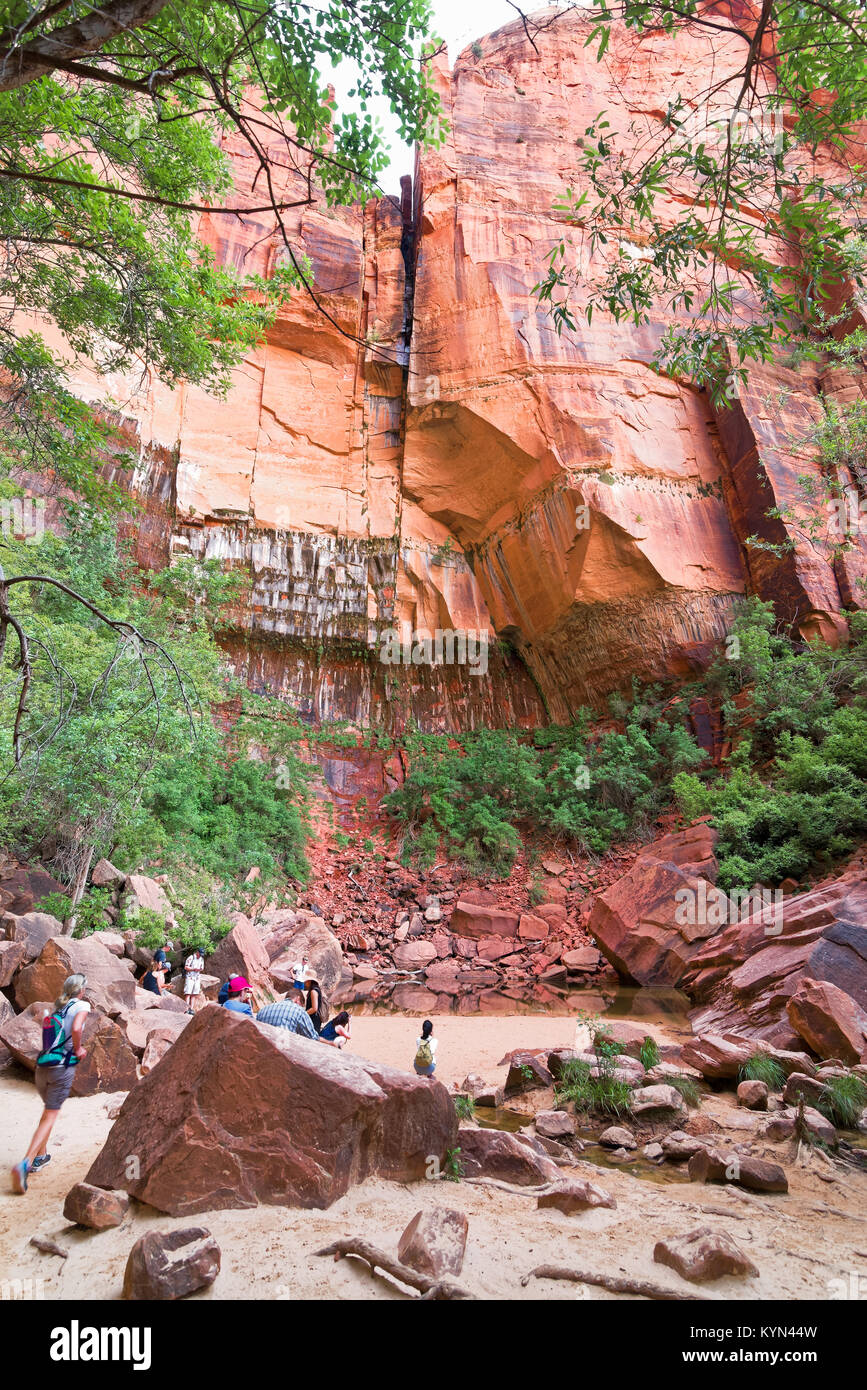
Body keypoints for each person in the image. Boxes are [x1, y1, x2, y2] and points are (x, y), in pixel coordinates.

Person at [11, 974, 91, 1193]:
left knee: (47, 1113)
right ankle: (24, 1164)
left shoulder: (58, 1007)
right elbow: (76, 1028)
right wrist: (78, 1049)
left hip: (42, 1067)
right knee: (51, 1116)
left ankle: (41, 1156)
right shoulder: (82, 1005)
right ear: (81, 990)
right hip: (61, 1067)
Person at [183, 948, 205, 1015]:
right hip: (190, 977)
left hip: (197, 977)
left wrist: (199, 969)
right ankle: (186, 1008)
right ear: (197, 952)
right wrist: (193, 969)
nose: (200, 955)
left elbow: (202, 968)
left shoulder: (201, 959)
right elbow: (186, 967)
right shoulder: (191, 957)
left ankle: (191, 1009)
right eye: (200, 954)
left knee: (194, 994)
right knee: (188, 993)